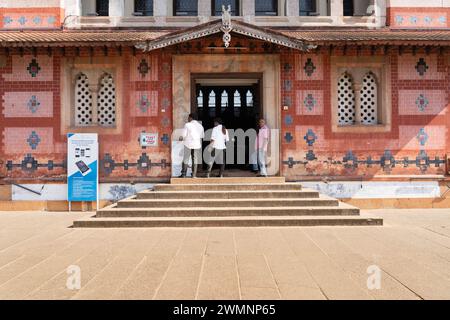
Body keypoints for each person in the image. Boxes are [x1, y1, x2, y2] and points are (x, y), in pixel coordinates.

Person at [179, 113, 204, 178]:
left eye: (188, 117)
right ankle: (194, 175)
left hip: (188, 144)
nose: (188, 119)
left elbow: (183, 135)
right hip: (197, 144)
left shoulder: (187, 125)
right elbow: (202, 136)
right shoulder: (200, 126)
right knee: (195, 159)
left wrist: (180, 138)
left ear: (191, 118)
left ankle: (184, 174)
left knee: (186, 158)